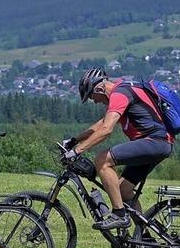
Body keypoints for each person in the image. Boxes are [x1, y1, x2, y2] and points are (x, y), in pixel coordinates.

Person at [62, 68, 173, 230]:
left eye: (92, 96)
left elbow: (106, 129)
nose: (95, 101)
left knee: (102, 160)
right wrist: (74, 140)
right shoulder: (122, 91)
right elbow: (102, 123)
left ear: (99, 88)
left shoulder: (119, 94)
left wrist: (77, 151)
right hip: (157, 144)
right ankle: (143, 237)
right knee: (122, 191)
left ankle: (119, 214)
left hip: (154, 142)